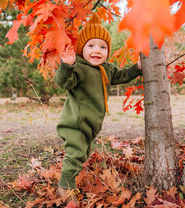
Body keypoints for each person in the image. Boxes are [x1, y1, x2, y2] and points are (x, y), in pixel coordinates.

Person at [54, 13, 142, 203]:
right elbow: (63, 82)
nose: (97, 51)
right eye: (91, 46)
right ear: (81, 50)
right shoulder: (80, 67)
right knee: (75, 153)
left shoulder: (107, 69)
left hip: (91, 123)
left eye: (102, 47)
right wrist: (67, 66)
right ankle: (65, 188)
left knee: (82, 154)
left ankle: (69, 181)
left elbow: (123, 75)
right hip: (76, 122)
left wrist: (138, 68)